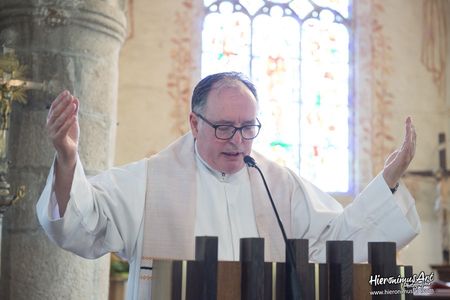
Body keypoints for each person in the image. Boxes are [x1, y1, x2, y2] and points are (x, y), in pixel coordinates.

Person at [37, 72, 420, 299]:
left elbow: (335, 240)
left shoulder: (278, 184)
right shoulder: (150, 181)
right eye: (223, 128)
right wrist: (68, 159)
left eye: (248, 128)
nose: (237, 140)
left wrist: (385, 182)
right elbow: (83, 224)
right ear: (194, 123)